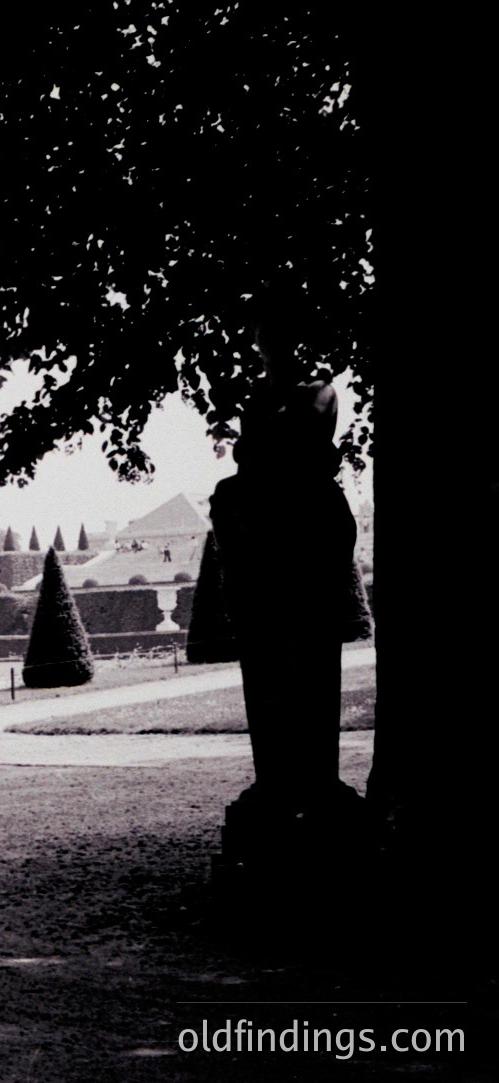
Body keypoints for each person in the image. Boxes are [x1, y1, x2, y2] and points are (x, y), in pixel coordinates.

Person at [209, 291, 358, 833]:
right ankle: (273, 776)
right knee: (265, 667)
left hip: (303, 536)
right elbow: (257, 454)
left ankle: (316, 778)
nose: (267, 343)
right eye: (261, 335)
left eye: (276, 334)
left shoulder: (319, 392)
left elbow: (293, 450)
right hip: (265, 542)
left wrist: (261, 460)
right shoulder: (256, 399)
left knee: (313, 664)